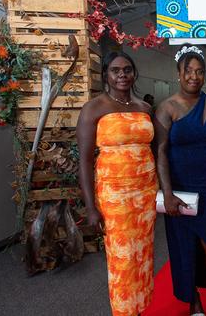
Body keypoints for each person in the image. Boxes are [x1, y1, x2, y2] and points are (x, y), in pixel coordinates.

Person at [76, 52, 157, 316]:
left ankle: (140, 309)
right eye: (115, 70)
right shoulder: (94, 108)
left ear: (134, 74)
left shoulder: (144, 108)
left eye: (127, 70)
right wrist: (90, 207)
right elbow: (85, 161)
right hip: (115, 197)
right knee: (122, 260)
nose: (122, 75)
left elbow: (156, 149)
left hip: (145, 194)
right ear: (106, 75)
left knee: (143, 257)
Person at [154, 44, 206, 316]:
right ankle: (193, 300)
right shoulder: (166, 108)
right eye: (189, 71)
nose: (194, 76)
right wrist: (168, 192)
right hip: (181, 186)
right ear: (179, 73)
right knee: (185, 244)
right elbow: (160, 153)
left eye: (199, 71)